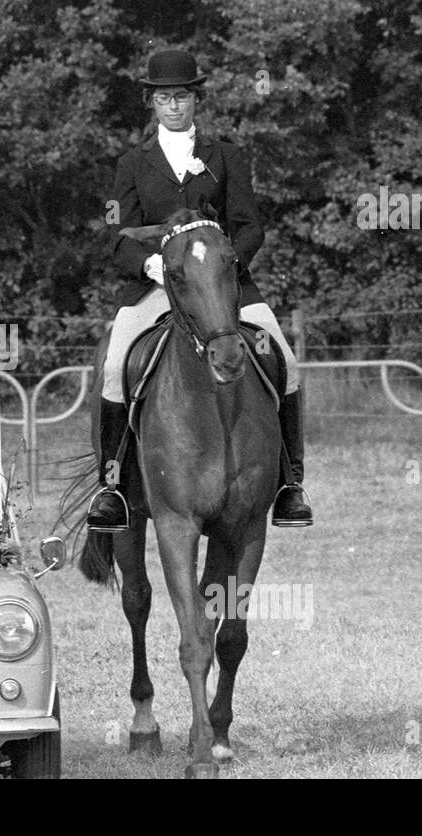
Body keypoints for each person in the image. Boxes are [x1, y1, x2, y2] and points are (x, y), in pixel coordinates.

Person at [88, 48, 312, 531]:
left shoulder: (226, 156)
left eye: (183, 97)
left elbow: (251, 227)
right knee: (113, 366)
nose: (174, 106)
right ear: (152, 102)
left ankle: (291, 482)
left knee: (287, 363)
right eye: (165, 98)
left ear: (195, 100)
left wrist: (226, 269)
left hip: (224, 287)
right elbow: (116, 236)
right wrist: (151, 265)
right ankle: (111, 489)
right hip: (157, 286)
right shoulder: (132, 164)